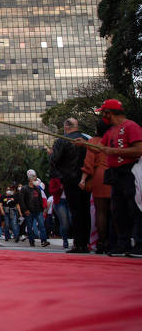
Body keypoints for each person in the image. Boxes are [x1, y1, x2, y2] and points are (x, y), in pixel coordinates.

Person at [77, 99, 142, 256]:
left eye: (104, 113)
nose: (103, 116)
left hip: (130, 171)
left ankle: (139, 244)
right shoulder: (111, 131)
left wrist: (116, 152)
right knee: (118, 210)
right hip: (115, 173)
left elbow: (139, 149)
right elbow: (99, 147)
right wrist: (85, 144)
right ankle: (123, 244)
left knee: (134, 208)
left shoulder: (131, 126)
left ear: (109, 113)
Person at [49, 117, 90, 253]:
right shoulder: (87, 140)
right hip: (86, 178)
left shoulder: (62, 140)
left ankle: (78, 243)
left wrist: (51, 155)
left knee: (76, 212)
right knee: (85, 211)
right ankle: (85, 242)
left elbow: (54, 161)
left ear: (66, 127)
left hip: (70, 179)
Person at [79, 119, 112, 254]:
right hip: (115, 174)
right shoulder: (114, 140)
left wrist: (83, 179)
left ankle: (101, 242)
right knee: (116, 211)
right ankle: (116, 241)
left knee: (101, 211)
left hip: (100, 176)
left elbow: (89, 163)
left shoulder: (93, 141)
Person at [18, 174, 50, 247]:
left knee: (42, 225)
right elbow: (21, 200)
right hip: (29, 211)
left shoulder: (37, 189)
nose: (36, 181)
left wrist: (42, 209)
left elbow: (40, 199)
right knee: (29, 226)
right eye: (34, 179)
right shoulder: (24, 188)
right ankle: (31, 241)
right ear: (30, 180)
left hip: (38, 210)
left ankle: (44, 241)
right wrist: (25, 210)